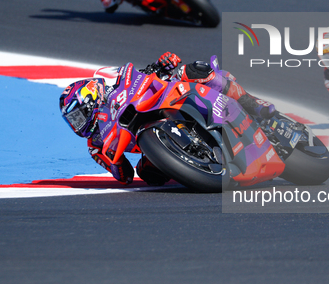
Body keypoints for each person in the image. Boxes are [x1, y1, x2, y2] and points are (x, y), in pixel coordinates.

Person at [59, 52, 275, 185]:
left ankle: (253, 104)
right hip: (153, 140)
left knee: (193, 70)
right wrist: (114, 164)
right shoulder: (95, 146)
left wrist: (161, 65)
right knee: (147, 174)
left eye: (78, 116)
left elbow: (139, 75)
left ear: (91, 98)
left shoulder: (112, 84)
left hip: (157, 102)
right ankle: (200, 164)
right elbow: (123, 176)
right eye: (73, 121)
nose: (78, 124)